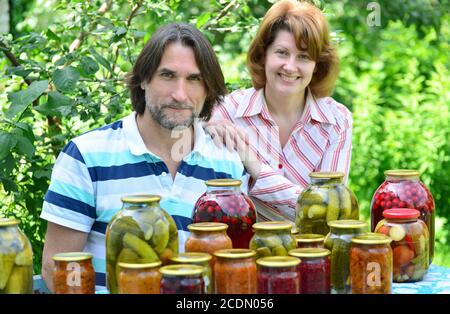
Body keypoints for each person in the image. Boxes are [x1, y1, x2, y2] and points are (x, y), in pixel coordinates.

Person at [40, 22, 256, 291]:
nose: (180, 94)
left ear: (208, 88)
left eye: (194, 79)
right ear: (143, 79)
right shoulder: (86, 156)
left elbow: (231, 269)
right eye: (167, 75)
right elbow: (58, 267)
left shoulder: (228, 162)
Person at [206, 0, 352, 222]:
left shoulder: (336, 120)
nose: (290, 67)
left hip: (313, 253)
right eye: (282, 53)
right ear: (263, 55)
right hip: (244, 251)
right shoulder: (227, 112)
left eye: (303, 57)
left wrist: (254, 166)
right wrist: (205, 123)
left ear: (317, 64)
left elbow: (328, 212)